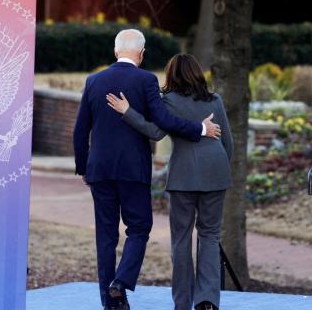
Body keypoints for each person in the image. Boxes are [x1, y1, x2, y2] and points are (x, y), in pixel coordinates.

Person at [73, 30, 222, 310]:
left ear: (116, 51)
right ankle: (121, 282)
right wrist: (200, 128)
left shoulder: (93, 81)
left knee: (105, 236)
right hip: (133, 170)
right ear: (141, 54)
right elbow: (163, 121)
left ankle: (111, 302)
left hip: (100, 170)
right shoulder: (146, 80)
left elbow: (80, 130)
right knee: (139, 228)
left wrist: (83, 166)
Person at [106, 53, 233, 310]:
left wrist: (127, 112)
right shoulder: (215, 100)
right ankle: (208, 301)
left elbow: (155, 132)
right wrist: (217, 169)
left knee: (181, 240)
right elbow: (228, 143)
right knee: (209, 236)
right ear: (198, 74)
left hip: (183, 177)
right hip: (216, 173)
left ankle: (182, 304)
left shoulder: (168, 102)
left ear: (171, 76)